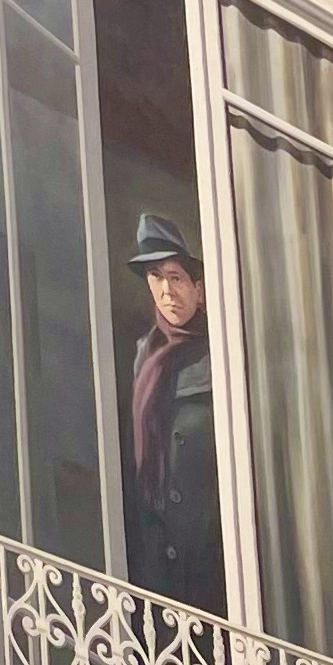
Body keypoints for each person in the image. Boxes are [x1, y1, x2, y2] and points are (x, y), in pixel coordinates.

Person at [124, 212, 224, 612]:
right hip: (155, 546)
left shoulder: (220, 352)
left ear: (198, 289)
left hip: (207, 547)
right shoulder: (142, 356)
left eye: (176, 277)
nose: (167, 291)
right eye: (156, 278)